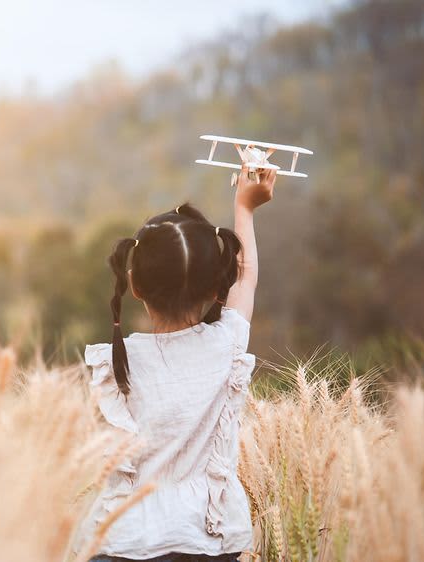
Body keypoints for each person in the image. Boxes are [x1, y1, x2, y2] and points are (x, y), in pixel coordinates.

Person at [78, 167, 276, 562]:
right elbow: (247, 277)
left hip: (128, 538)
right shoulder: (226, 344)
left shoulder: (117, 361)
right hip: (210, 536)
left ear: (134, 285)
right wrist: (245, 207)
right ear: (212, 285)